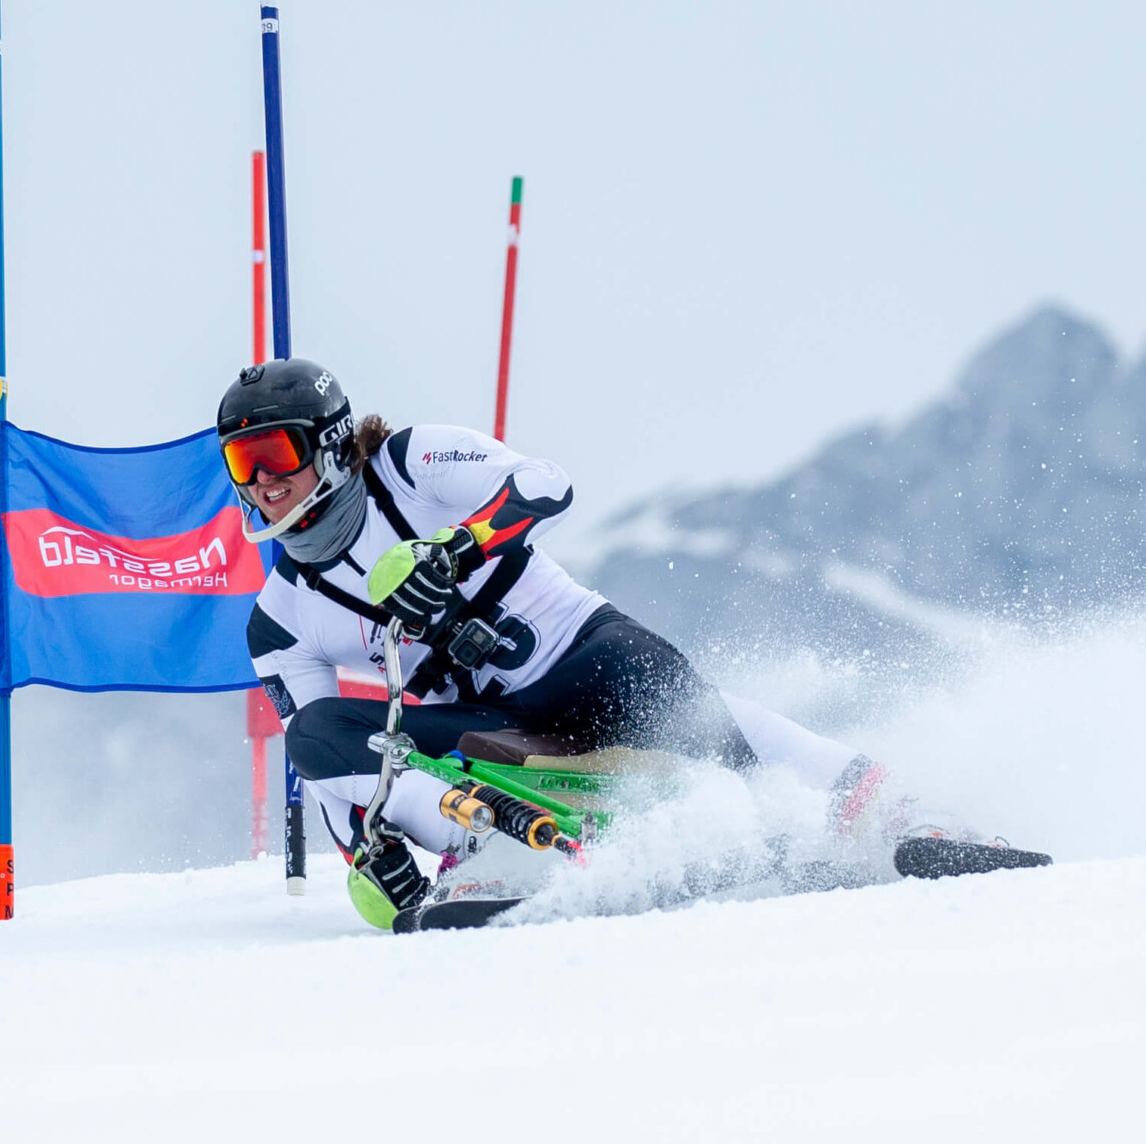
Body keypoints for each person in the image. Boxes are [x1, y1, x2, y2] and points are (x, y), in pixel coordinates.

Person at [219, 359, 1043, 924]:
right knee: (312, 735)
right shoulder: (278, 620)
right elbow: (336, 768)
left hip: (585, 658)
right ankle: (495, 842)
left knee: (703, 720)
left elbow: (545, 483)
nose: (261, 483)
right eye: (240, 464)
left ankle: (901, 815)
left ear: (332, 443)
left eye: (273, 453)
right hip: (490, 734)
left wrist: (457, 549)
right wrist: (370, 857)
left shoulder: (408, 463)